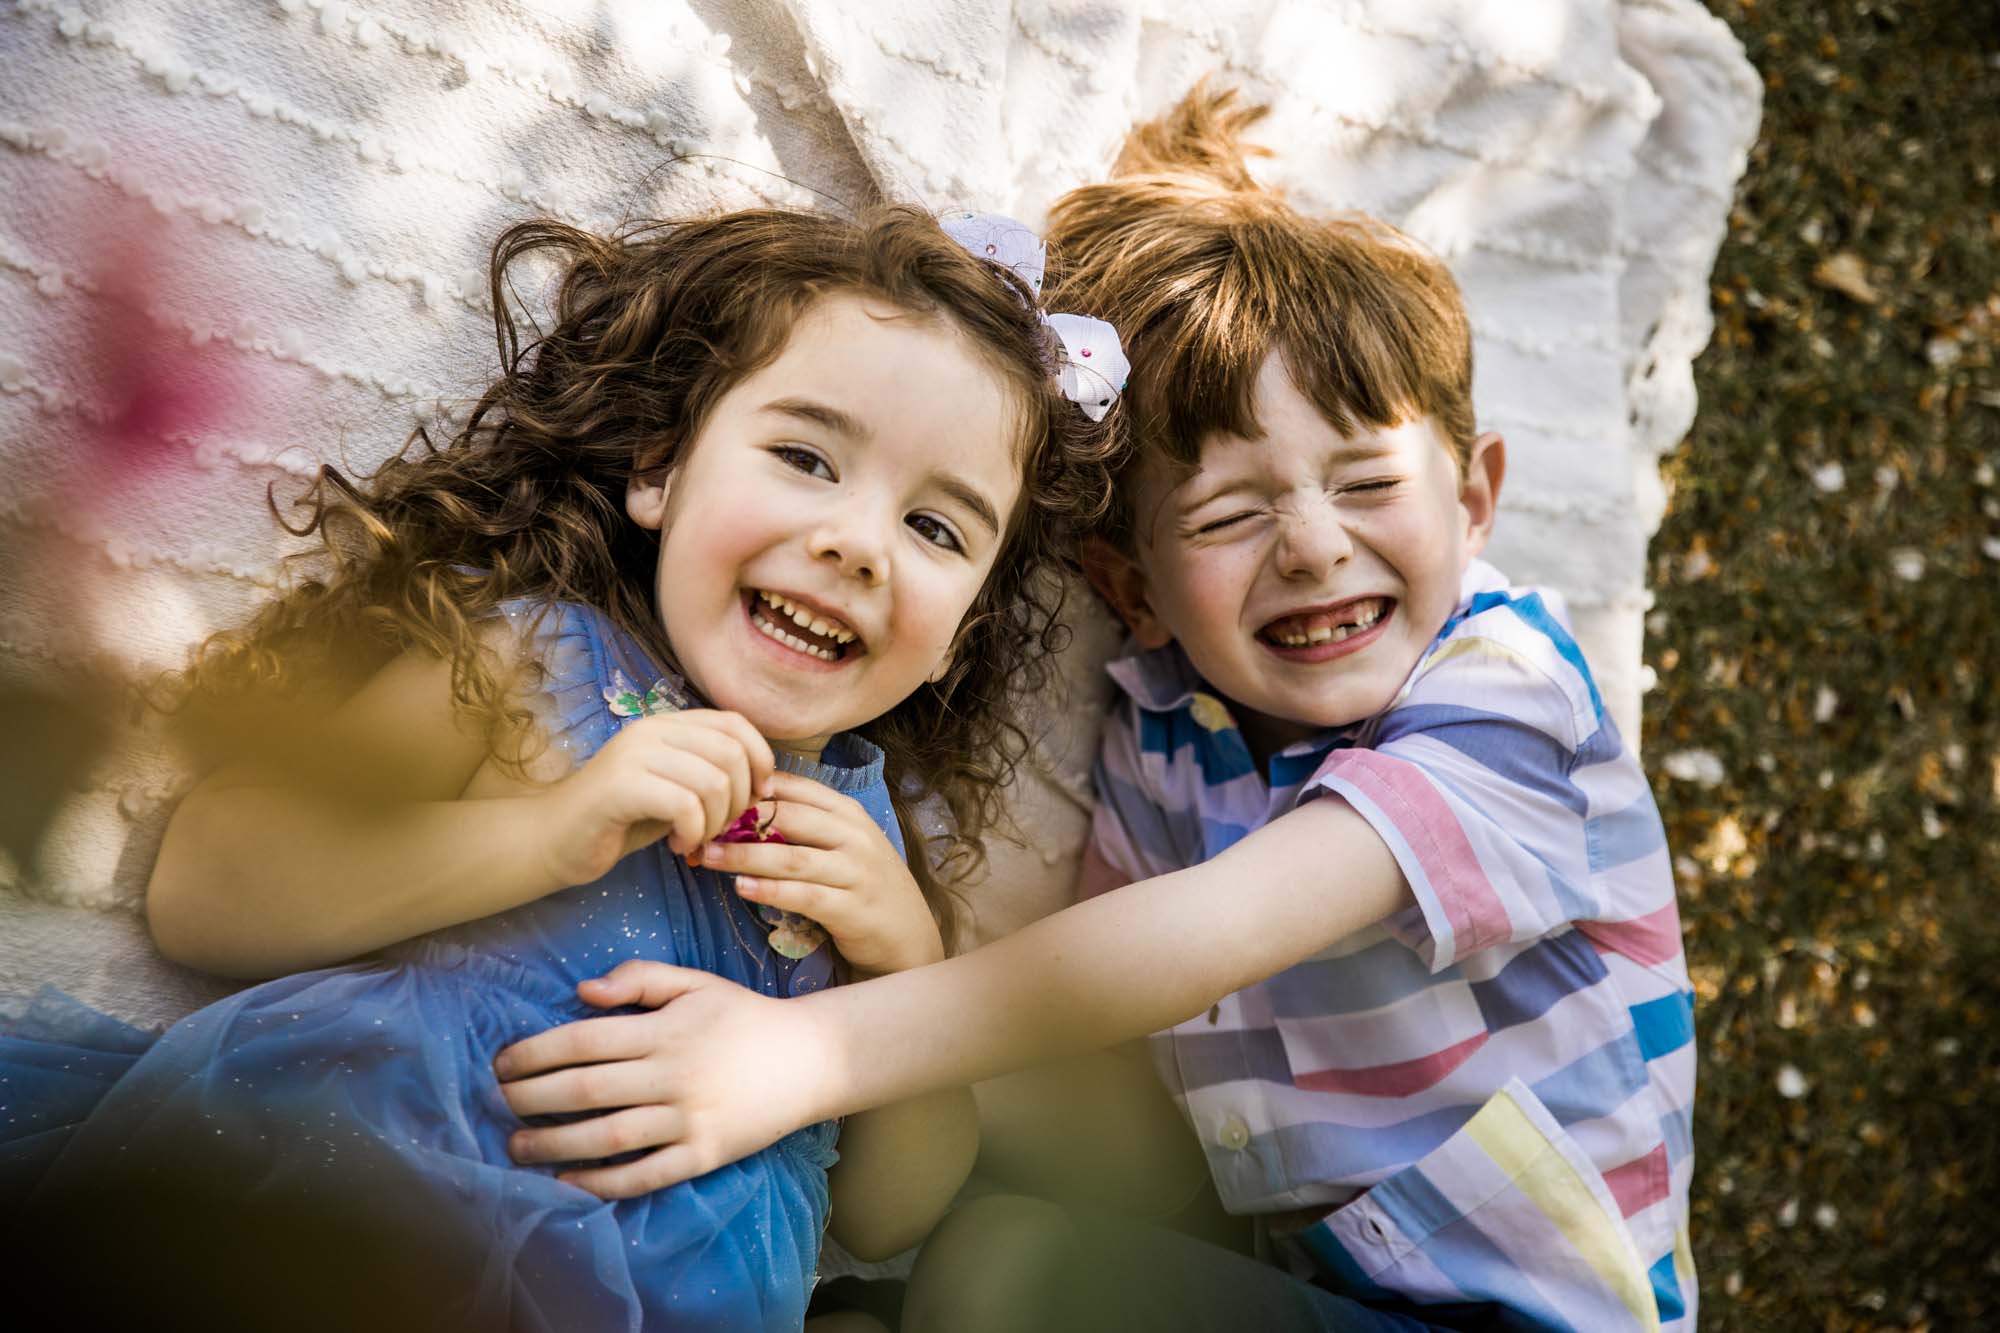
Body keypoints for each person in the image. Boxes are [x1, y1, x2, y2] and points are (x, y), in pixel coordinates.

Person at [493, 87, 1698, 1332]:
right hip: (1281, 1264)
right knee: (956, 1249)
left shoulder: (1506, 699)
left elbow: (1184, 942)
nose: (1312, 547)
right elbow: (1099, 1080)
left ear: (1475, 497)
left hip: (1526, 1316)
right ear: (1129, 587)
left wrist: (808, 1055)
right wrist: (812, 989)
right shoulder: (1166, 726)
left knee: (1002, 1277)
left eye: (1367, 482)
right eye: (1230, 514)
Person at [0, 205, 1124, 1332]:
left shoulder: (863, 844)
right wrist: (550, 829)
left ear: (960, 637)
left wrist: (904, 974)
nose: (858, 542)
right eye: (802, 458)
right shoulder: (536, 661)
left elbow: (887, 1215)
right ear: (660, 470)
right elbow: (206, 888)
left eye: (936, 528)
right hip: (348, 1217)